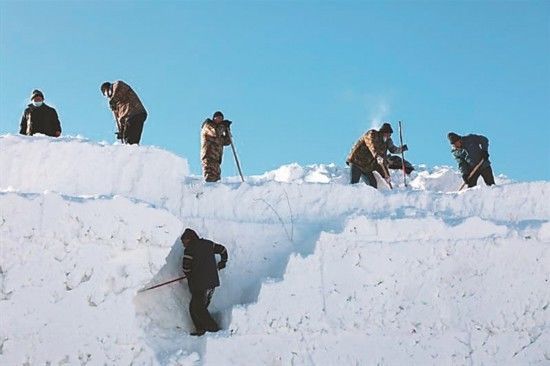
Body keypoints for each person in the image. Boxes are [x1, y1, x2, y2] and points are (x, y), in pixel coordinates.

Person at [181, 228, 228, 336]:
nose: (183, 244)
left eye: (184, 242)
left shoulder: (189, 250)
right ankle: (201, 330)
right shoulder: (208, 244)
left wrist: (190, 276)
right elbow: (223, 250)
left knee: (198, 309)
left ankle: (214, 330)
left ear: (190, 239)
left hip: (199, 285)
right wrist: (223, 262)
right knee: (196, 308)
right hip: (211, 283)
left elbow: (186, 268)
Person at [346, 123, 408, 188]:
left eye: (390, 135)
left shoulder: (385, 145)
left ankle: (369, 198)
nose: (389, 136)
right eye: (388, 134)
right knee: (354, 184)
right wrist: (377, 155)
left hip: (367, 167)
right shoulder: (372, 134)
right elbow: (371, 145)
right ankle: (349, 197)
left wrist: (385, 176)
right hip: (356, 161)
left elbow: (383, 160)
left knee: (373, 185)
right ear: (383, 132)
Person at [201, 111, 232, 182]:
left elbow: (227, 141)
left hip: (216, 161)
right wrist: (223, 126)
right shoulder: (208, 125)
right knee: (209, 179)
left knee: (216, 182)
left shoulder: (220, 133)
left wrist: (227, 130)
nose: (220, 120)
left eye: (221, 118)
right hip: (208, 158)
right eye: (218, 118)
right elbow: (215, 132)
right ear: (214, 118)